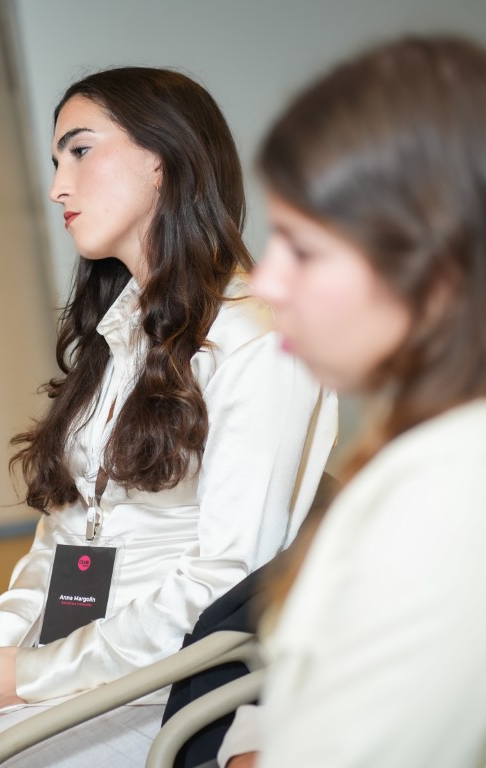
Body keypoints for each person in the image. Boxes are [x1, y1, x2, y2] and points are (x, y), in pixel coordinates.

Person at [0, 67, 336, 768]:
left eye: (80, 151)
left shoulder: (256, 337)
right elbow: (61, 537)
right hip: (67, 668)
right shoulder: (117, 332)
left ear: (162, 158)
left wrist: (30, 674)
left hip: (163, 688)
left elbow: (225, 580)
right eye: (56, 161)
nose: (58, 186)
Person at [215, 34, 486, 768]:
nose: (267, 283)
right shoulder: (426, 444)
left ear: (437, 275)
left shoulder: (447, 497)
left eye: (303, 249)